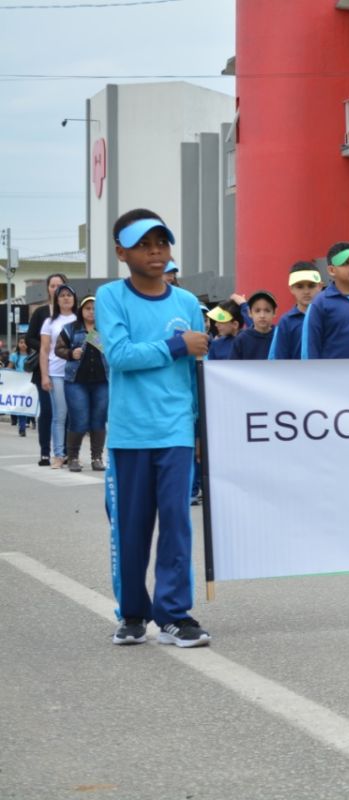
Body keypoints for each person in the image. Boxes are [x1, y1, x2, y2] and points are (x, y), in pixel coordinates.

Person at [97, 208, 212, 647]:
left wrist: (200, 428)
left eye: (161, 243)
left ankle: (174, 614)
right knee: (131, 525)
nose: (155, 252)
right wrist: (175, 344)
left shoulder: (185, 304)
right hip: (130, 433)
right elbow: (121, 355)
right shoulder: (112, 297)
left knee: (178, 523)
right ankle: (131, 613)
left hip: (177, 430)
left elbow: (195, 371)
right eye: (144, 244)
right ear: (121, 251)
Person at [56, 296, 108, 472]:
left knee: (99, 420)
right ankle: (73, 458)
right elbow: (58, 349)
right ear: (81, 310)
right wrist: (71, 353)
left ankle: (97, 458)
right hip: (76, 382)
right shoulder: (71, 328)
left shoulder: (105, 329)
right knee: (79, 419)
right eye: (88, 308)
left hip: (102, 381)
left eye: (95, 308)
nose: (92, 312)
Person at [26, 273, 67, 465]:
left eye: (60, 285)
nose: (56, 289)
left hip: (68, 371)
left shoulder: (74, 313)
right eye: (52, 285)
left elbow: (89, 333)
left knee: (67, 413)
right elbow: (29, 338)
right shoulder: (41, 312)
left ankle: (65, 452)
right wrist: (46, 344)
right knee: (49, 411)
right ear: (48, 289)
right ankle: (45, 451)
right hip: (45, 370)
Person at [40, 284, 78, 469]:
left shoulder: (80, 319)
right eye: (62, 295)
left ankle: (73, 455)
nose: (65, 298)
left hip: (79, 374)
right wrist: (44, 375)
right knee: (60, 415)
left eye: (69, 295)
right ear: (57, 299)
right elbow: (44, 349)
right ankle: (59, 454)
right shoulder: (50, 322)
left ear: (74, 299)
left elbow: (97, 342)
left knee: (77, 415)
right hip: (56, 373)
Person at [268, 261, 322, 361]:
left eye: (311, 286)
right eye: (299, 286)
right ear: (291, 289)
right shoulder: (286, 321)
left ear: (320, 286)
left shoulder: (327, 317)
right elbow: (281, 358)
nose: (306, 291)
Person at [230, 291, 276, 360]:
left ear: (274, 313)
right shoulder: (241, 340)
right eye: (257, 311)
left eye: (267, 310)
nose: (262, 315)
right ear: (250, 313)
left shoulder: (280, 336)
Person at [7, 338, 31, 437]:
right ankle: (21, 426)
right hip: (17, 384)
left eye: (25, 342)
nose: (23, 345)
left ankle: (23, 426)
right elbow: (9, 367)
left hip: (28, 383)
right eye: (21, 342)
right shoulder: (14, 356)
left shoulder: (31, 356)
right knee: (19, 405)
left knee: (24, 406)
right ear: (18, 344)